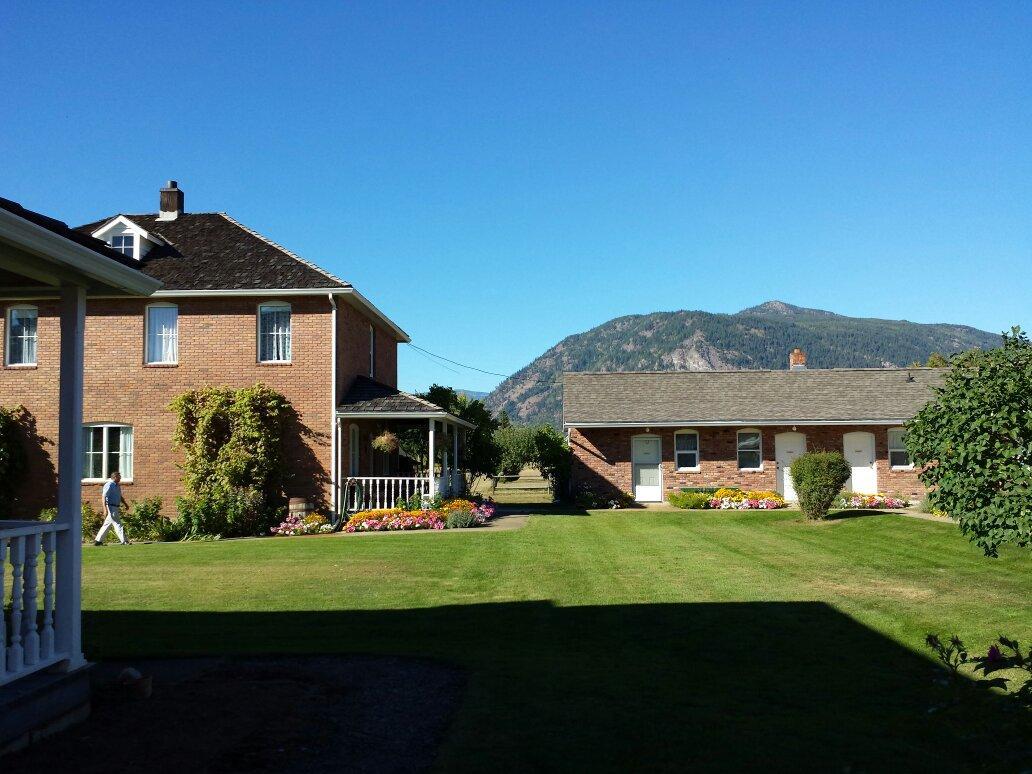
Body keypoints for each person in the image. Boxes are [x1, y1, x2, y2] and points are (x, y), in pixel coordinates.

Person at [95, 471, 130, 546]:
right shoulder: (109, 485)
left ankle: (98, 541)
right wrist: (105, 509)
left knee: (106, 525)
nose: (120, 478)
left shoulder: (117, 485)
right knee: (117, 524)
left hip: (115, 507)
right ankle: (124, 541)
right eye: (119, 477)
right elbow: (104, 496)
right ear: (115, 477)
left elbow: (120, 496)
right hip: (111, 507)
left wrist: (125, 504)